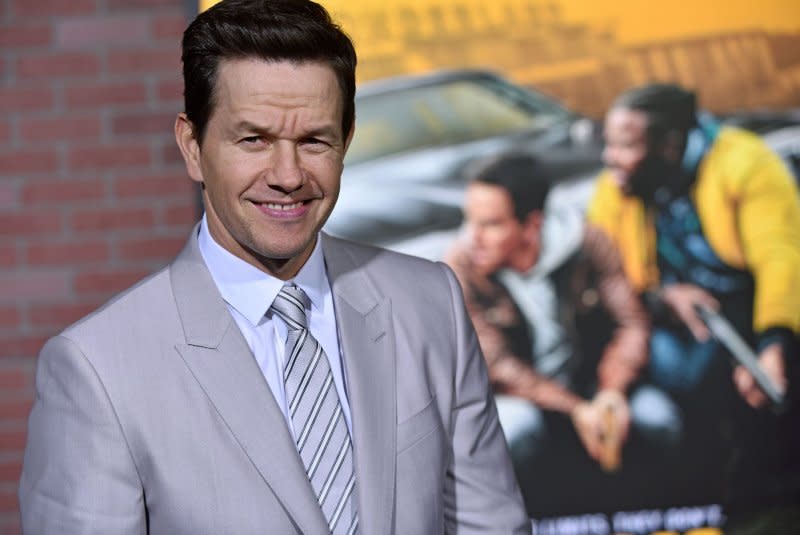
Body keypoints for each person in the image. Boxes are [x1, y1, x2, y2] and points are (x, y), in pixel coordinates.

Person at [18, 1, 528, 533]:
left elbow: (490, 525)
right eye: (253, 139)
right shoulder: (97, 369)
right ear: (193, 147)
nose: (288, 175)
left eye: (314, 140)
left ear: (346, 142)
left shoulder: (430, 303)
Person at [588, 83, 800, 506]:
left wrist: (776, 344)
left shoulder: (746, 163)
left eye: (626, 145)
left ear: (669, 145)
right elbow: (605, 276)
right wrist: (665, 296)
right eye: (608, 144)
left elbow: (782, 257)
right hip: (674, 317)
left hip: (753, 304)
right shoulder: (617, 187)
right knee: (678, 371)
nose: (610, 158)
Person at [445, 153, 680, 505]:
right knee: (512, 432)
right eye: (469, 220)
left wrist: (612, 391)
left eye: (491, 224)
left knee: (659, 419)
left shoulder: (589, 245)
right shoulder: (459, 267)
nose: (472, 237)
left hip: (594, 386)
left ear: (532, 225)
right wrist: (575, 409)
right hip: (518, 398)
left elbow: (630, 323)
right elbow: (497, 366)